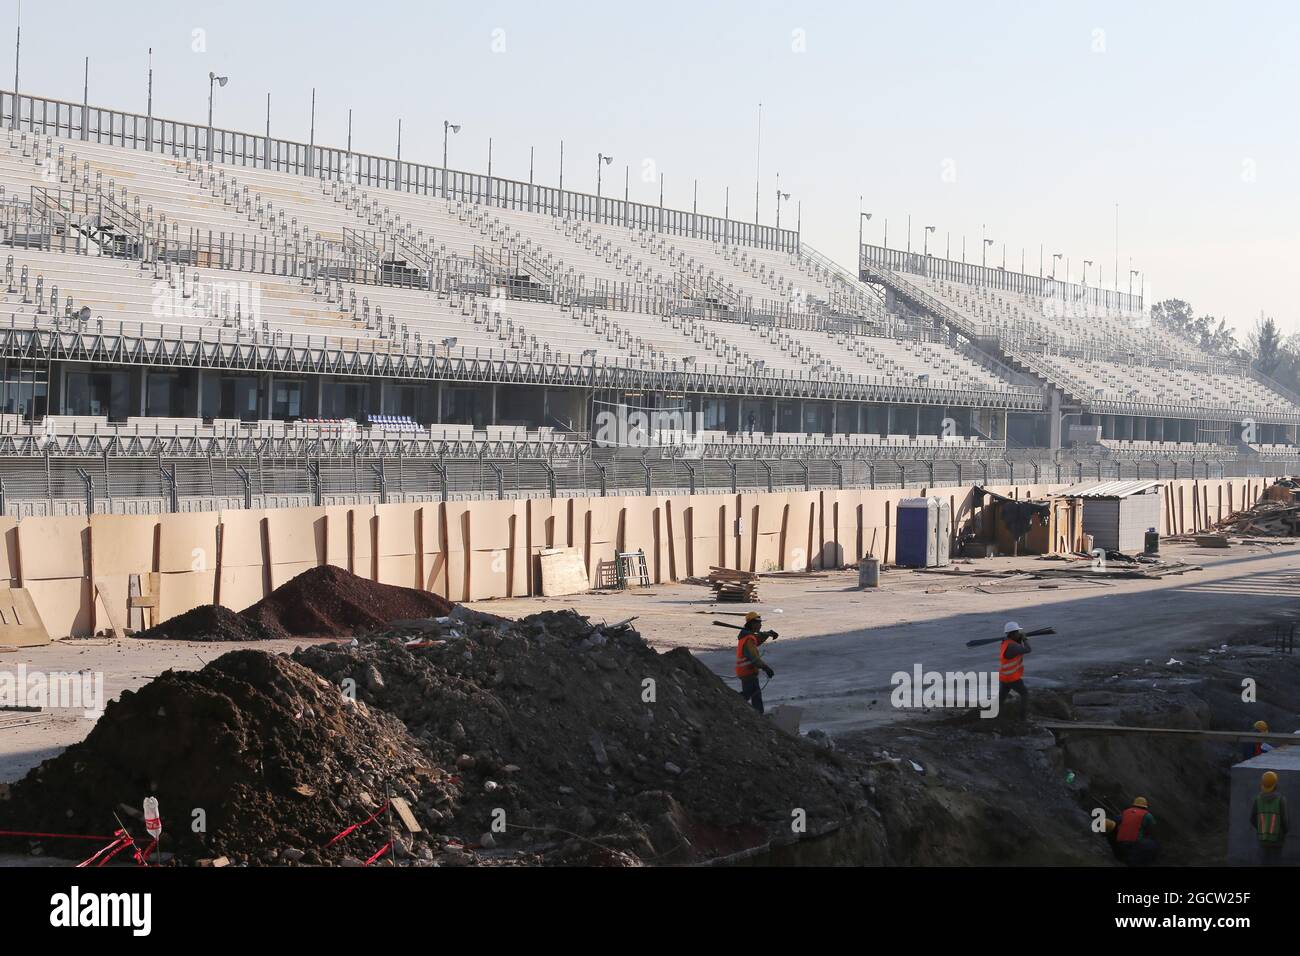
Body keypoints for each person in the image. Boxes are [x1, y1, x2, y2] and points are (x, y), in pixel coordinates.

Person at [734, 611, 777, 714]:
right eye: (759, 623)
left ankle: (758, 715)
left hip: (747, 672)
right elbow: (754, 658)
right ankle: (734, 705)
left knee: (755, 695)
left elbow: (757, 640)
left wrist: (768, 633)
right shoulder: (748, 639)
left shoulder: (748, 636)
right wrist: (766, 668)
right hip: (747, 672)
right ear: (753, 624)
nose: (761, 625)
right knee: (748, 695)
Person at [1250, 771, 1288, 865]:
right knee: (1276, 862)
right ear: (1275, 784)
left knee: (1263, 862)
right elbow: (1285, 821)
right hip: (1277, 838)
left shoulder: (1257, 799)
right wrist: (1284, 832)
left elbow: (1252, 819)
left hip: (1263, 838)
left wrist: (1261, 829)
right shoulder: (1281, 800)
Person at [997, 621, 1031, 719]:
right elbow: (1028, 649)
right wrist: (1025, 639)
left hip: (1004, 677)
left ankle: (994, 715)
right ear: (1013, 633)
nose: (1019, 633)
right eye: (1017, 632)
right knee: (1025, 694)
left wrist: (1020, 639)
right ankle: (1023, 718)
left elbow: (1016, 648)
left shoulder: (1006, 643)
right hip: (1012, 678)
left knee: (1001, 698)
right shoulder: (1013, 646)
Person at [1114, 796, 1159, 866]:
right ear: (1145, 806)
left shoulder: (1125, 811)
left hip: (1120, 840)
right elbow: (1153, 829)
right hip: (1134, 843)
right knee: (1153, 844)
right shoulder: (1147, 815)